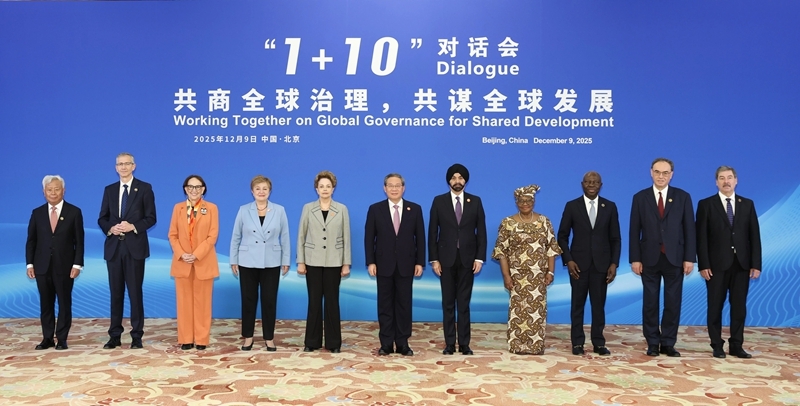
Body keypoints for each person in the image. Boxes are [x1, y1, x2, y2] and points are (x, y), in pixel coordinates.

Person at [629, 157, 695, 357]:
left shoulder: (682, 197)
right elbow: (634, 230)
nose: (661, 176)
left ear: (671, 175)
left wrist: (689, 258)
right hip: (649, 258)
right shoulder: (640, 197)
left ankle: (668, 343)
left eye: (665, 173)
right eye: (657, 172)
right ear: (651, 172)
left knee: (672, 303)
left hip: (675, 258)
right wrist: (635, 259)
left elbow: (689, 230)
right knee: (650, 303)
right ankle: (652, 342)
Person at [696, 166, 762, 359]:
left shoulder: (747, 204)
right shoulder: (706, 204)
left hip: (741, 265)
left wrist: (756, 264)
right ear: (716, 182)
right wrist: (703, 264)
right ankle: (717, 345)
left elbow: (754, 236)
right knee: (715, 306)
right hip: (715, 266)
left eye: (730, 177)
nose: (726, 181)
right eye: (722, 178)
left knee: (739, 307)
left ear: (736, 180)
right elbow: (701, 238)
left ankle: (736, 345)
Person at [492, 185, 561, 355]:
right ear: (516, 202)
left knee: (537, 311)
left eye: (529, 200)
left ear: (534, 201)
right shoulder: (507, 223)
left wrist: (550, 271)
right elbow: (501, 252)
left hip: (539, 276)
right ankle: (517, 346)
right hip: (516, 276)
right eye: (521, 200)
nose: (525, 203)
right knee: (518, 311)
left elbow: (551, 248)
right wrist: (506, 276)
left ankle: (535, 346)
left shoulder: (544, 221)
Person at [557, 171, 621, 356]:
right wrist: (568, 260)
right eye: (588, 182)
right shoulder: (572, 206)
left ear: (601, 185)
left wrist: (614, 263)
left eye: (595, 182)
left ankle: (599, 343)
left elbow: (615, 238)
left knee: (598, 306)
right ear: (582, 184)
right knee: (577, 306)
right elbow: (562, 236)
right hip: (578, 265)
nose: (592, 184)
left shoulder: (610, 206)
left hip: (602, 266)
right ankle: (577, 343)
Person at [98, 152, 157, 349]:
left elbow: (151, 218)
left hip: (135, 249)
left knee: (135, 293)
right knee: (115, 294)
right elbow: (102, 218)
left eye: (127, 163)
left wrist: (133, 226)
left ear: (134, 166)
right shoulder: (109, 190)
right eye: (120, 164)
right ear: (116, 168)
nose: (123, 167)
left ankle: (137, 336)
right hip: (114, 249)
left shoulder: (144, 188)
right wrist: (110, 228)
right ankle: (114, 335)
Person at [364, 173, 426, 356]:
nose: (394, 188)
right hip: (383, 264)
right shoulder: (375, 209)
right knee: (385, 305)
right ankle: (386, 343)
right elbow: (369, 238)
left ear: (403, 188)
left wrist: (420, 262)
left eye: (397, 185)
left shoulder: (415, 209)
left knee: (404, 305)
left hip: (407, 264)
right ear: (384, 188)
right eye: (390, 185)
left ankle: (402, 343)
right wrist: (370, 262)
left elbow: (420, 238)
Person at [428, 163, 486, 355]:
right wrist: (434, 259)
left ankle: (465, 344)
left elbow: (481, 232)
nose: (457, 181)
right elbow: (432, 232)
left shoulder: (475, 201)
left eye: (460, 178)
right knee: (448, 303)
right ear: (448, 181)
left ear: (465, 181)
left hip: (468, 260)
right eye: (453, 178)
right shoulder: (439, 201)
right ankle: (449, 344)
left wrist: (479, 258)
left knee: (463, 303)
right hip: (445, 260)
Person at [230, 175, 290, 351]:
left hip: (271, 261)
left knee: (269, 300)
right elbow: (236, 236)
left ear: (270, 191)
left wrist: (286, 259)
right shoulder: (243, 210)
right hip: (247, 261)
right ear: (252, 191)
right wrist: (234, 259)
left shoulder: (279, 210)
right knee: (248, 300)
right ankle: (248, 337)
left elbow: (285, 236)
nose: (261, 192)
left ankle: (269, 338)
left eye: (265, 188)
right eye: (258, 188)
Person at [25, 175, 84, 350]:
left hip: (65, 267)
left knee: (64, 303)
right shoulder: (37, 213)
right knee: (46, 303)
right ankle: (47, 338)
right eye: (49, 189)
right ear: (44, 192)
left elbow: (79, 241)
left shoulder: (74, 212)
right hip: (42, 266)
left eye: (56, 189)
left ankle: (62, 339)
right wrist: (30, 264)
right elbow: (31, 241)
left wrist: (77, 264)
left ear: (63, 191)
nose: (53, 193)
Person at [297, 170, 351, 353]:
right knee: (314, 302)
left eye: (328, 186)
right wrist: (301, 261)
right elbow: (301, 235)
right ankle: (311, 342)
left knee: (332, 302)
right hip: (312, 261)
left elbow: (346, 237)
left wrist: (346, 263)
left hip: (334, 261)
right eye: (321, 186)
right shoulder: (308, 208)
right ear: (316, 189)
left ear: (333, 188)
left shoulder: (341, 209)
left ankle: (334, 343)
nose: (325, 189)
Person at [167, 175, 219, 351]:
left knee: (203, 303)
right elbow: (172, 235)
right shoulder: (178, 208)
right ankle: (186, 338)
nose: (194, 190)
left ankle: (202, 339)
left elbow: (212, 236)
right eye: (190, 187)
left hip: (203, 261)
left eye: (197, 187)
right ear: (185, 189)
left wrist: (196, 255)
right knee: (184, 303)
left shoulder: (211, 208)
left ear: (203, 189)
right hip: (182, 262)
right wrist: (182, 254)